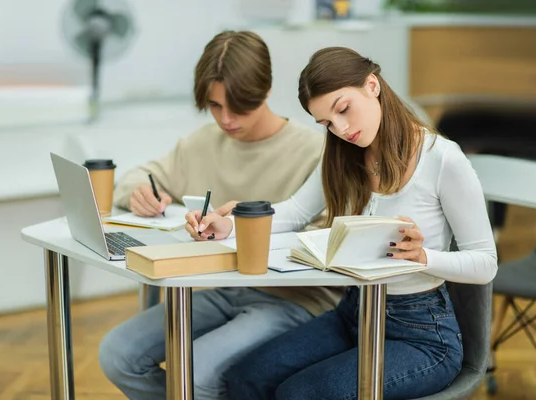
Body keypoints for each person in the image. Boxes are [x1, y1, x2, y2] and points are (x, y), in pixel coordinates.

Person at [192, 47, 498, 400]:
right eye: (326, 124)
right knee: (248, 377)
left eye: (343, 110)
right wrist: (230, 224)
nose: (341, 129)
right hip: (353, 311)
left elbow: (485, 264)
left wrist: (423, 256)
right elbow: (294, 212)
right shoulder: (342, 154)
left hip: (422, 334)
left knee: (299, 394)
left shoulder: (442, 159)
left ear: (372, 85)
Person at [98, 31, 345, 400]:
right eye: (215, 106)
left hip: (297, 299)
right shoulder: (200, 144)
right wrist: (139, 194)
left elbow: (329, 239)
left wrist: (240, 231)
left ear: (265, 89)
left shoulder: (316, 150)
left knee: (196, 371)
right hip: (227, 288)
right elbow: (138, 177)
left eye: (239, 106)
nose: (226, 119)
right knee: (118, 354)